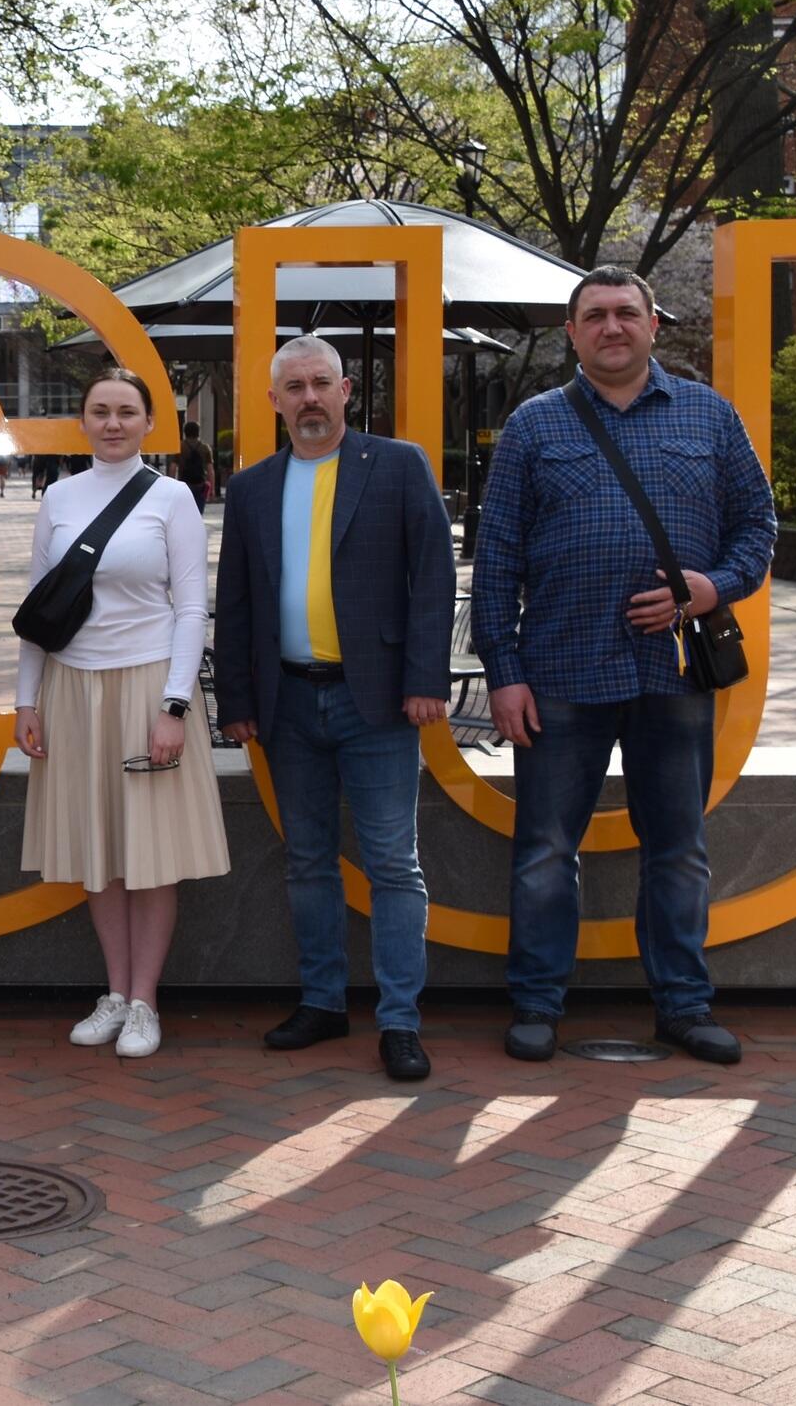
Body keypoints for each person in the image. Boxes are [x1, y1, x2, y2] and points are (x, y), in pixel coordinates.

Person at [472, 267, 776, 1066]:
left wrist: (713, 587)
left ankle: (683, 1005)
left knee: (677, 847)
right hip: (560, 674)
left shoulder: (709, 415)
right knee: (545, 849)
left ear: (653, 324)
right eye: (595, 315)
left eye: (626, 313)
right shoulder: (535, 426)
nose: (612, 327)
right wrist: (502, 667)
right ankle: (537, 1004)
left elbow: (758, 523)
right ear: (572, 333)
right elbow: (496, 556)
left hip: (671, 672)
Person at [214, 336, 453, 1082]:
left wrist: (425, 679)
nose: (309, 397)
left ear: (348, 390)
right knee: (308, 860)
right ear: (274, 400)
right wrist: (239, 700)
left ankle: (400, 1020)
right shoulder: (252, 487)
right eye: (295, 386)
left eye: (322, 382)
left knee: (391, 862)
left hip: (377, 701)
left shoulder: (399, 465)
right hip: (287, 704)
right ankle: (321, 1001)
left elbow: (433, 579)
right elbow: (237, 601)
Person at [15, 367, 229, 1059]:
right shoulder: (60, 497)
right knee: (98, 849)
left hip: (147, 686)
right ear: (83, 421)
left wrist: (175, 704)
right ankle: (113, 992)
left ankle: (145, 1001)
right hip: (74, 689)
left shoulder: (172, 499)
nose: (112, 423)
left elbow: (192, 607)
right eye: (101, 411)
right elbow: (38, 610)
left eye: (126, 412)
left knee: (152, 851)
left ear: (148, 422)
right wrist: (28, 697)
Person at [178, 420, 213, 509]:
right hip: (200, 484)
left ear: (185, 432)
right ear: (198, 432)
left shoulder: (180, 447)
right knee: (198, 511)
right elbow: (210, 470)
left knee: (184, 511)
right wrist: (212, 488)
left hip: (184, 485)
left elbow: (172, 467)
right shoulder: (205, 448)